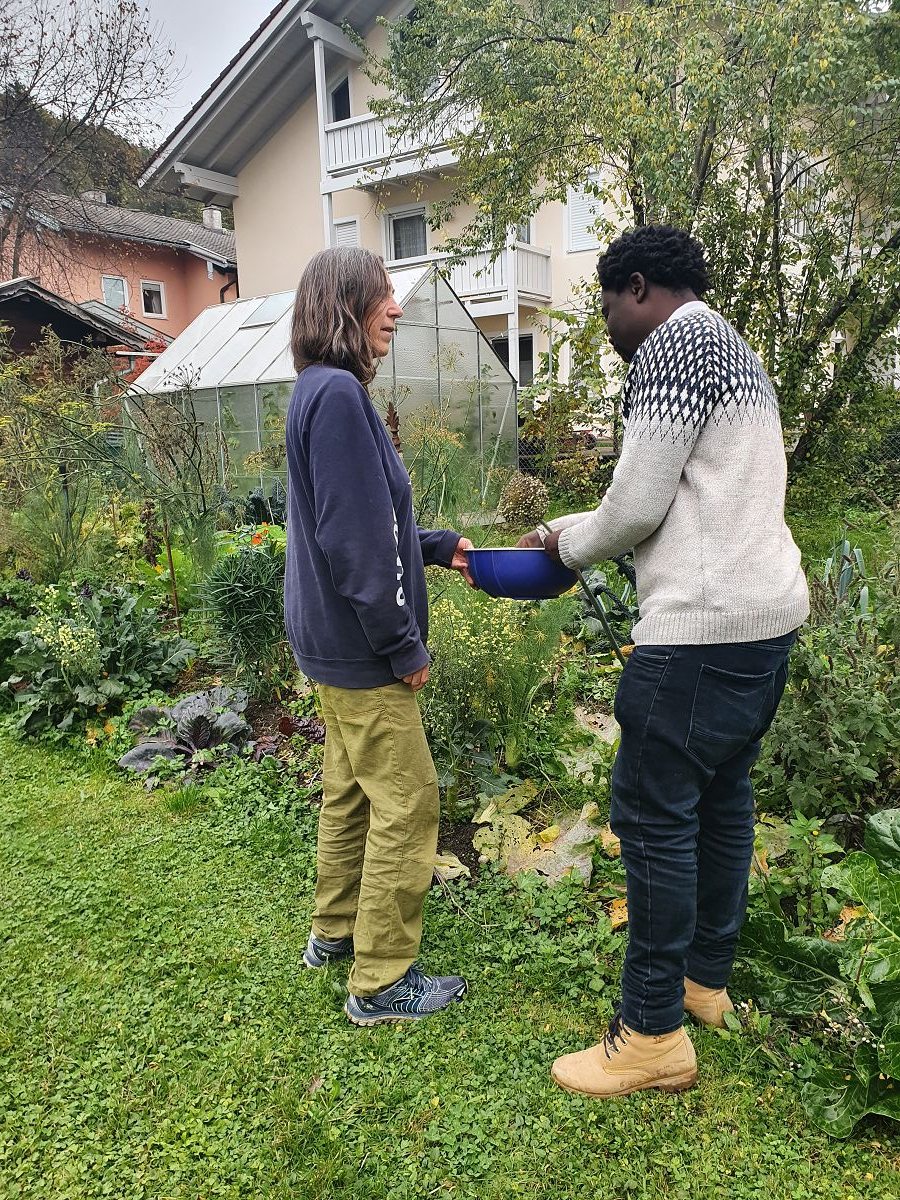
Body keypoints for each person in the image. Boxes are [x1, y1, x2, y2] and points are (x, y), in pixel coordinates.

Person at [520, 225, 809, 1097]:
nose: (609, 327)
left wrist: (563, 552)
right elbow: (674, 497)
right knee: (722, 802)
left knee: (650, 816)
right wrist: (577, 528)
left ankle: (651, 1035)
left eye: (608, 305)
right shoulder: (733, 348)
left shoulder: (673, 345)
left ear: (636, 287)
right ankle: (702, 986)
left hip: (703, 631)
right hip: (766, 622)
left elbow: (638, 502)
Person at [284, 246, 474, 1026]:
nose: (395, 308)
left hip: (328, 642)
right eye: (382, 294)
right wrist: (402, 643)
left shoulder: (316, 391)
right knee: (408, 799)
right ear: (346, 306)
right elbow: (355, 541)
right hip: (361, 651)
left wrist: (433, 544)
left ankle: (332, 933)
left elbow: (365, 519)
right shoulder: (338, 397)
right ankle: (382, 980)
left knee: (351, 792)